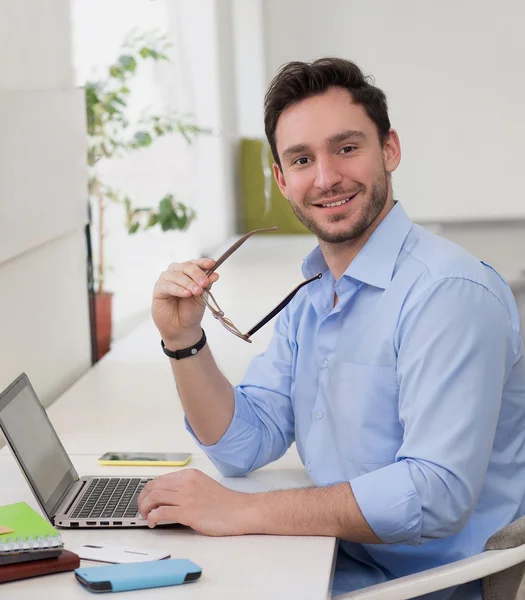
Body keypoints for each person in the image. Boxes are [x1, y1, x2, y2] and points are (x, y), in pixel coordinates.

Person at [137, 58, 525, 598]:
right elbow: (243, 445)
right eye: (301, 159)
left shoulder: (448, 293)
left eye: (346, 148)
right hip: (339, 558)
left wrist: (242, 511)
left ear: (388, 149)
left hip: (419, 585)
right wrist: (184, 342)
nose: (325, 178)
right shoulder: (316, 292)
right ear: (281, 178)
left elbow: (434, 495)